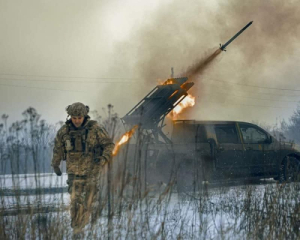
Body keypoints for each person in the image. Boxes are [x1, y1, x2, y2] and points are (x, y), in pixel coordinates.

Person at [51, 102, 115, 232]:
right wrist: (55, 164)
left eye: (79, 118)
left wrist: (103, 159)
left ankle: (87, 226)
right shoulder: (64, 131)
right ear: (70, 117)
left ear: (84, 116)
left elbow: (109, 145)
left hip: (92, 171)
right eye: (74, 118)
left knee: (89, 201)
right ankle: (77, 227)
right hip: (73, 172)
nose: (77, 121)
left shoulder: (95, 129)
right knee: (75, 201)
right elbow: (58, 148)